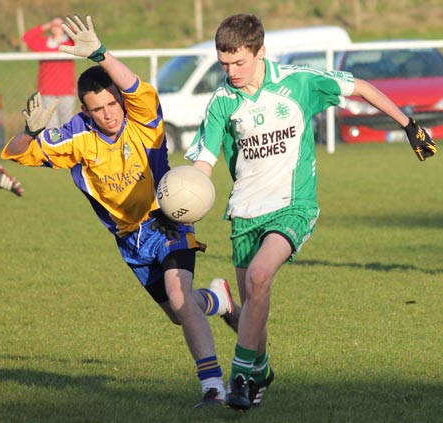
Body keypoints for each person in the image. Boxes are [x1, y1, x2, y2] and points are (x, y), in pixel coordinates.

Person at [185, 14, 437, 411]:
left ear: (260, 51)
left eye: (239, 63)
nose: (231, 72)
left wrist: (408, 125)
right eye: (224, 64)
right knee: (254, 304)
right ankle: (261, 369)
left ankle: (239, 377)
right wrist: (187, 202)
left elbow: (363, 87)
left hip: (294, 206)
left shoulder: (298, 82)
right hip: (244, 212)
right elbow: (203, 164)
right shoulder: (223, 102)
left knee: (260, 275)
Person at [3, 15, 234, 407]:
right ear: (85, 110)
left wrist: (100, 53)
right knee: (180, 312)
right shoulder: (75, 137)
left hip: (168, 220)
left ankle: (213, 388)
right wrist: (31, 131)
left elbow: (132, 85)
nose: (109, 114)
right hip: (129, 240)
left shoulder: (143, 119)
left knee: (179, 297)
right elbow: (19, 154)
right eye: (98, 109)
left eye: (112, 104)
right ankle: (218, 300)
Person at [23, 17, 76, 127]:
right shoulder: (44, 43)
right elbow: (27, 37)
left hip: (67, 91)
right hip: (47, 91)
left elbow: (81, 38)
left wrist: (67, 27)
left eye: (59, 25)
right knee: (50, 126)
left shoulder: (70, 44)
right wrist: (45, 26)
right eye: (54, 25)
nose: (57, 28)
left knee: (67, 125)